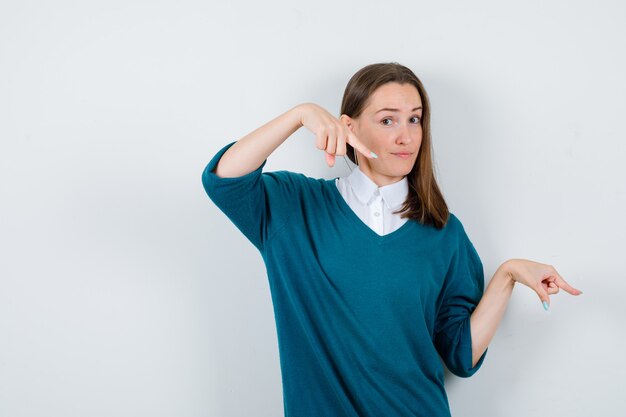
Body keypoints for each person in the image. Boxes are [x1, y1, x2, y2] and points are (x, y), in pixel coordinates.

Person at [201, 62, 583, 417]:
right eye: (388, 120)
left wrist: (507, 275)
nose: (406, 136)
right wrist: (300, 115)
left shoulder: (444, 232)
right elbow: (223, 180)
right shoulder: (294, 208)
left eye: (415, 120)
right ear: (349, 127)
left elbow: (461, 357)